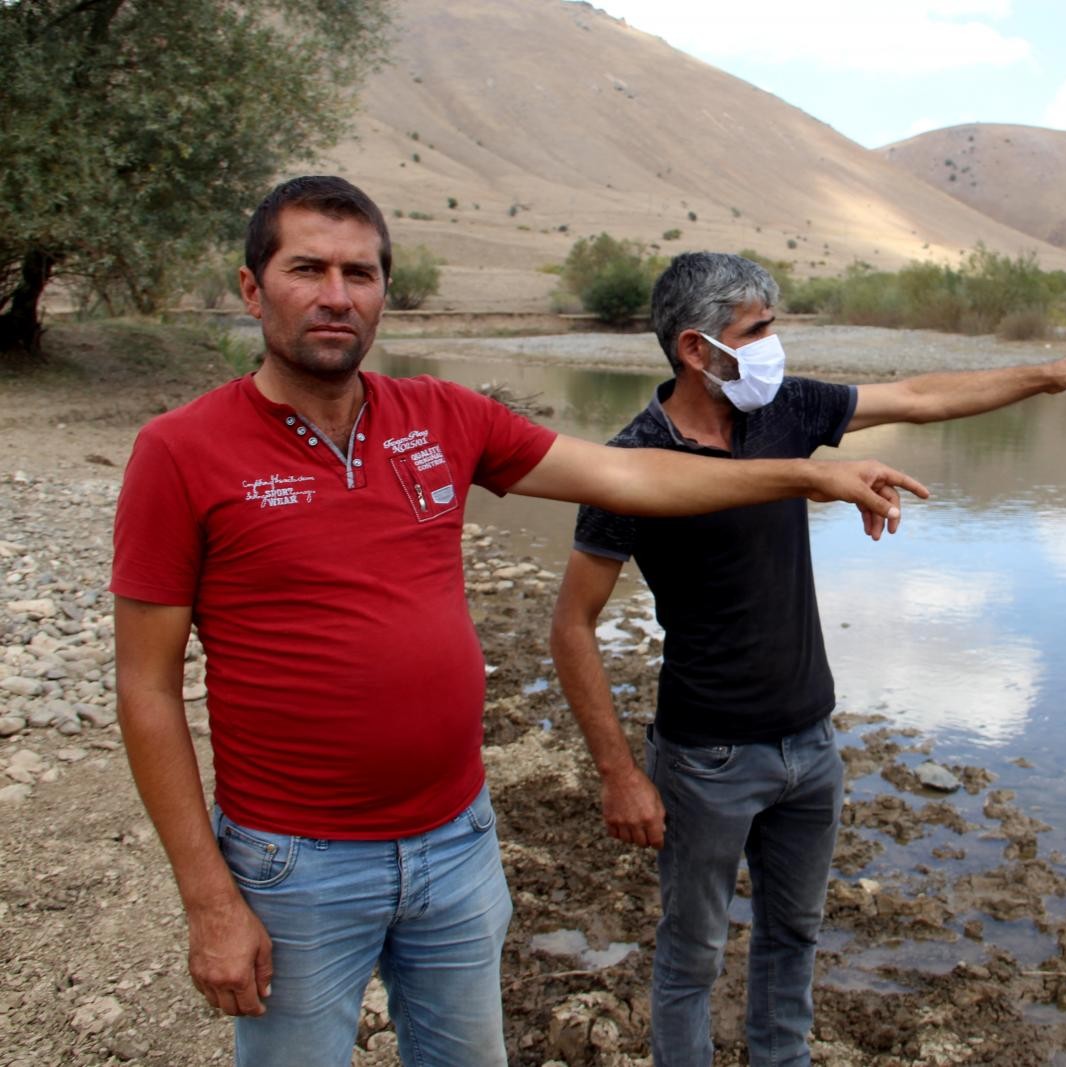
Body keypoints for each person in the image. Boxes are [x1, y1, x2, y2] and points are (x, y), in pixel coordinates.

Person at [110, 177, 928, 1067]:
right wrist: (209, 898)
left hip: (455, 843)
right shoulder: (180, 451)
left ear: (387, 290)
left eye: (361, 272)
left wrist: (805, 475)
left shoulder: (443, 416)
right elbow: (146, 689)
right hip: (295, 864)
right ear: (251, 287)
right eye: (307, 268)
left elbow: (633, 477)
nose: (337, 295)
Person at [550, 251, 1066, 1066]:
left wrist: (1050, 374)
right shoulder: (630, 461)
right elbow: (572, 624)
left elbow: (921, 398)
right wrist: (619, 772)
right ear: (695, 348)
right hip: (706, 757)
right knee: (692, 953)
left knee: (794, 935)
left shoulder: (782, 410)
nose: (773, 346)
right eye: (757, 330)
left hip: (812, 746)